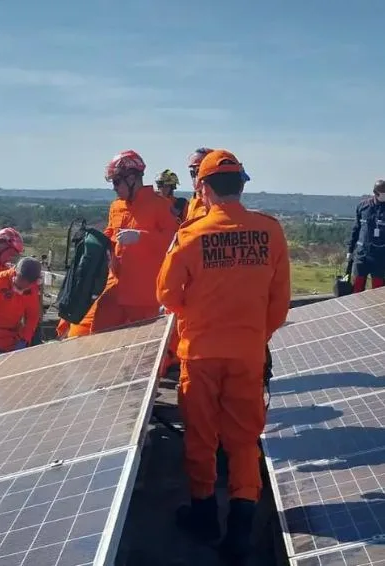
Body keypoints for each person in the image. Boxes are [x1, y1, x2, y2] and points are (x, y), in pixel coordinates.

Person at [156, 149, 290, 563]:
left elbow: (165, 294)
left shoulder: (191, 234)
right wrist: (252, 336)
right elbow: (280, 304)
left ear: (204, 188)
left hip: (200, 353)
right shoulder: (271, 231)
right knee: (244, 439)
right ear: (242, 186)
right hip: (247, 353)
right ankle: (240, 532)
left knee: (201, 435)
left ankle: (203, 517)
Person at [89, 150, 179, 333]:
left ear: (131, 178)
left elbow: (175, 242)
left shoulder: (160, 206)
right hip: (115, 289)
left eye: (116, 181)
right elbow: (110, 234)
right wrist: (95, 243)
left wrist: (142, 237)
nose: (114, 187)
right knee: (97, 337)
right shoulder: (116, 206)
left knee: (143, 350)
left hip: (143, 297)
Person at [347, 179, 385, 293]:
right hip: (362, 254)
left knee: (378, 291)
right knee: (357, 288)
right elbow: (356, 229)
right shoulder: (363, 206)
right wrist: (350, 250)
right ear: (376, 193)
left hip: (381, 257)